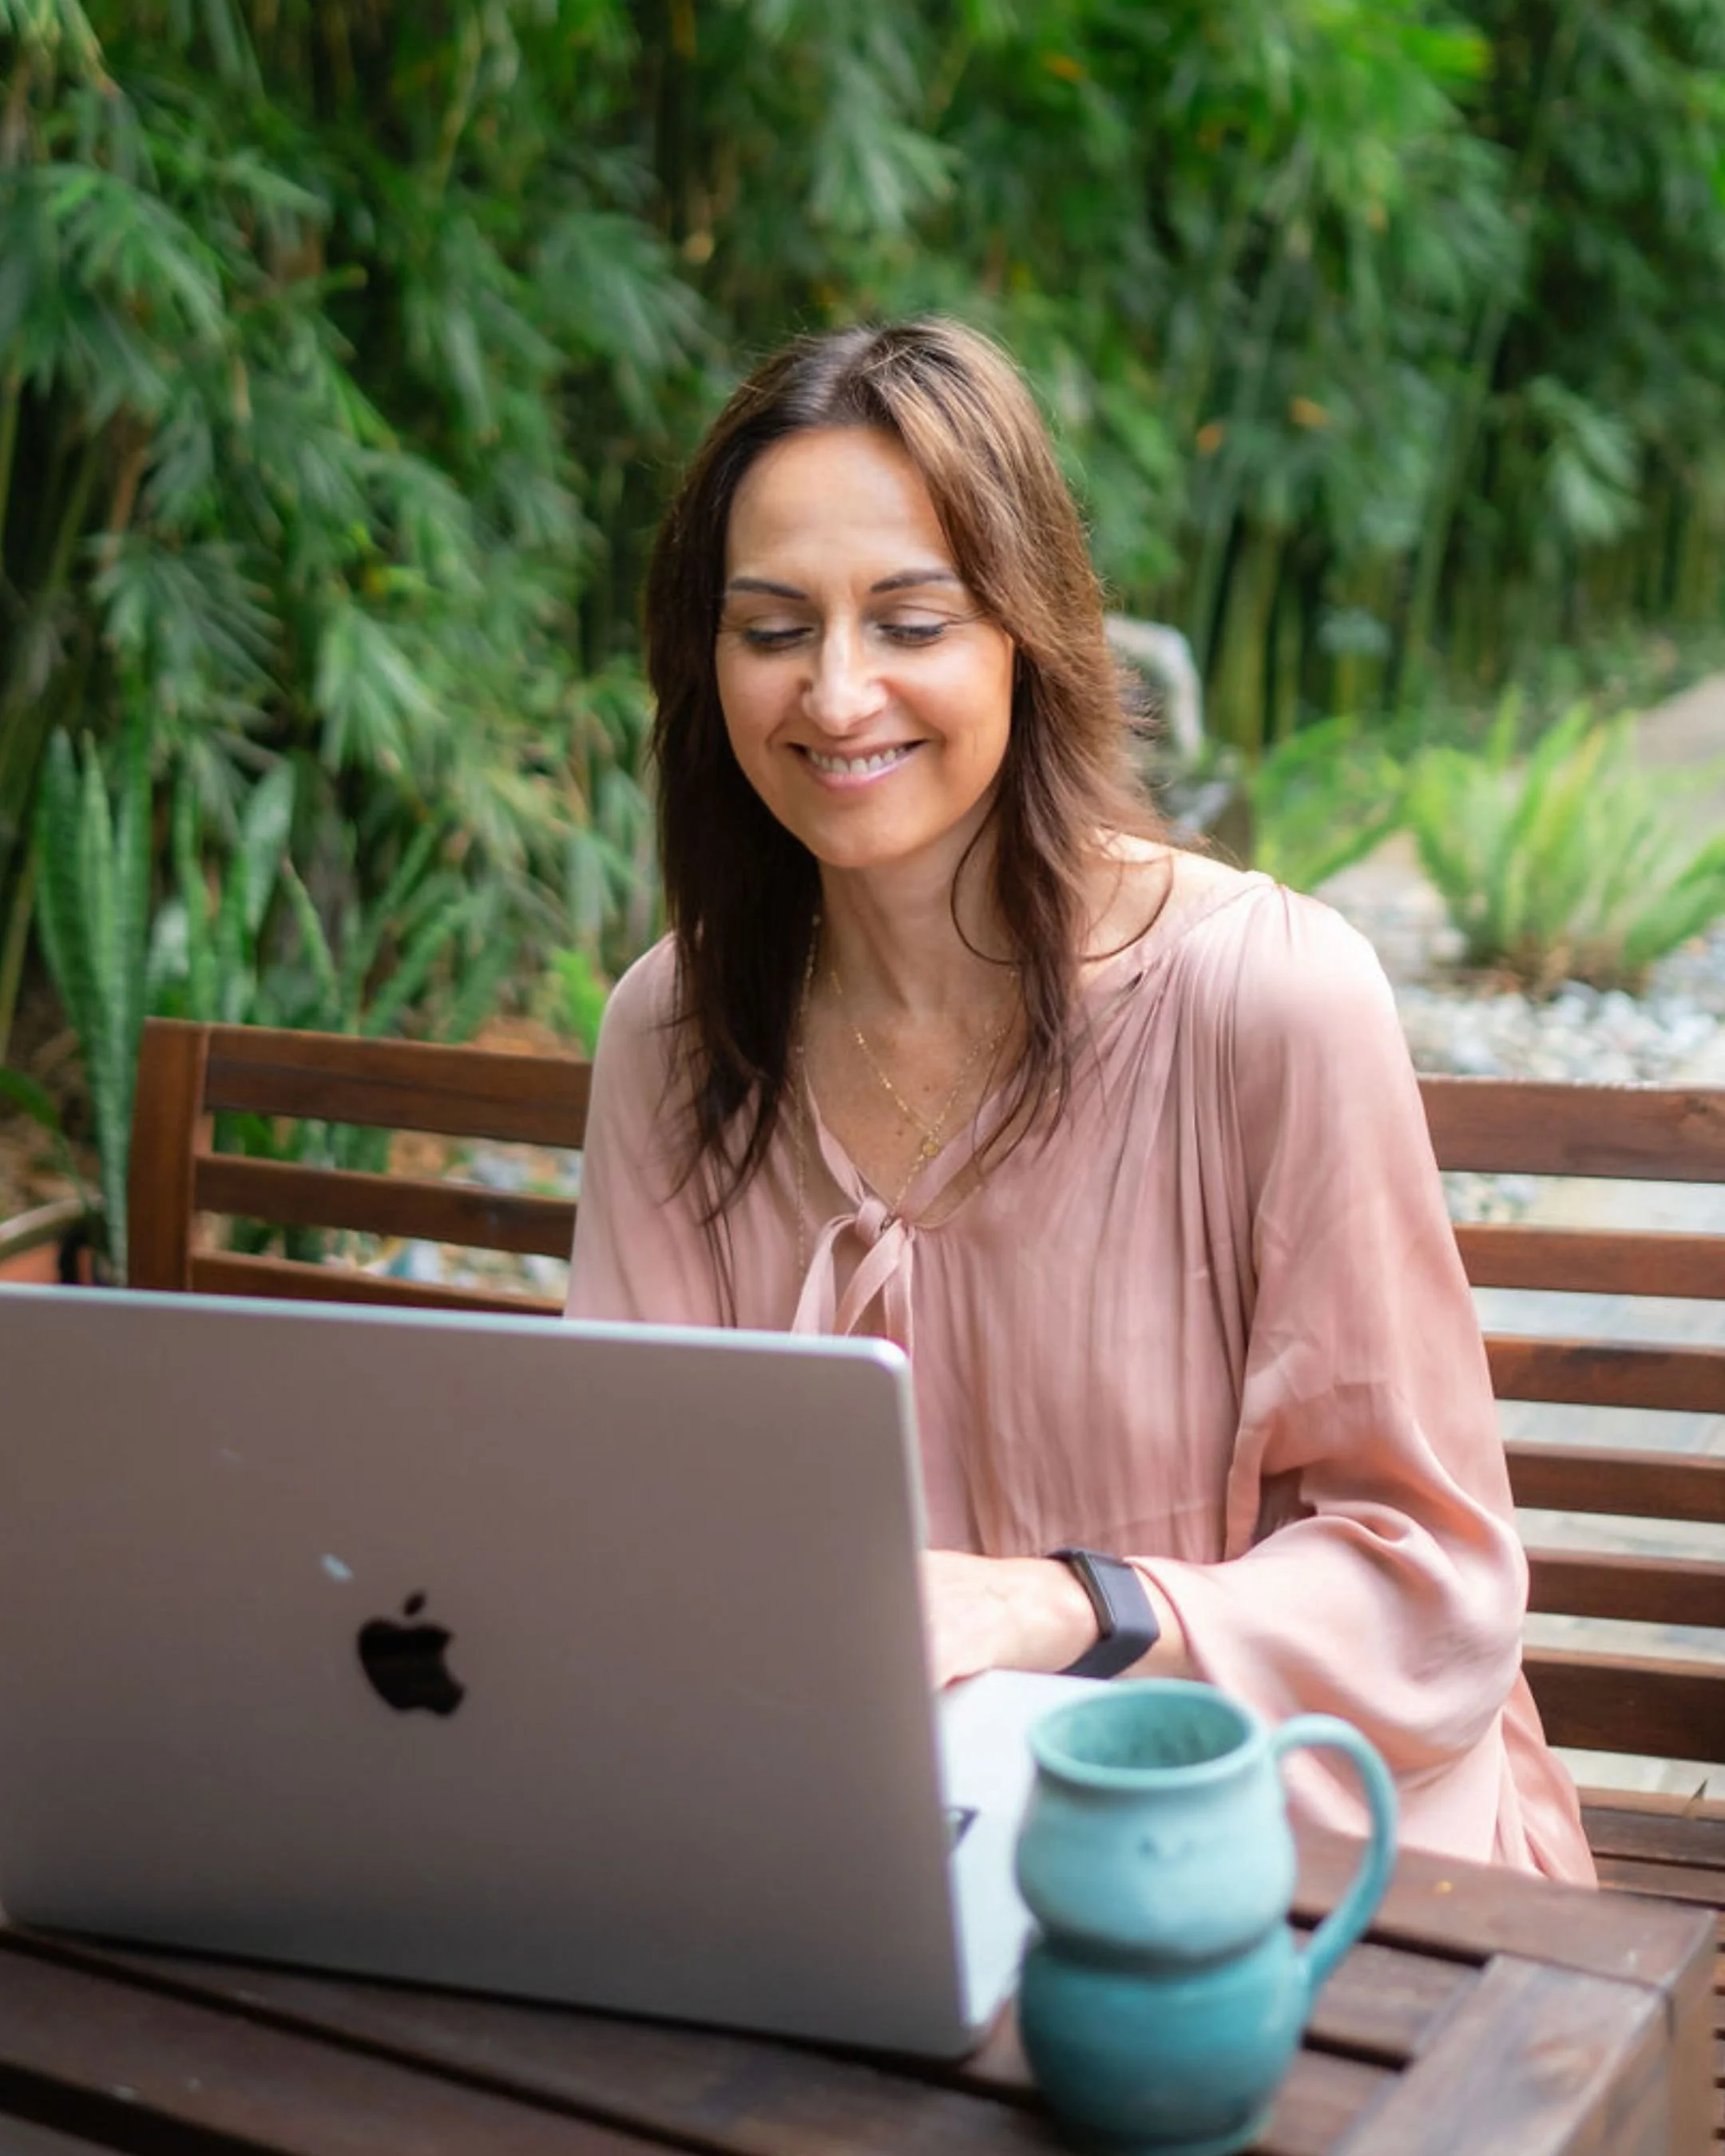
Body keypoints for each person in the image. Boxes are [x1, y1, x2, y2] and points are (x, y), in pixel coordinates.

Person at [565, 317, 1595, 1885]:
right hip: (883, 1851)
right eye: (772, 629)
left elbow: (1434, 1587)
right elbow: (628, 1525)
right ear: (704, 666)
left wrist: (1056, 1605)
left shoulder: (1270, 999)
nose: (838, 696)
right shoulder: (676, 1030)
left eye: (910, 620)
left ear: (1026, 632)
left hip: (1292, 1871)